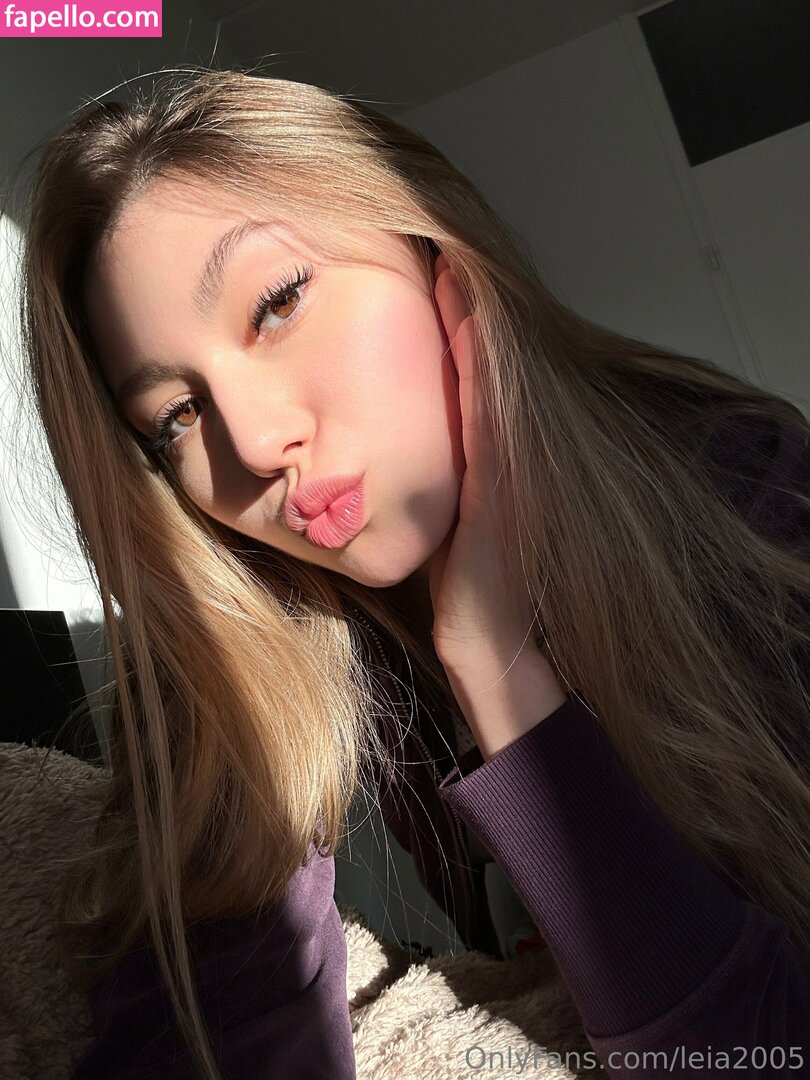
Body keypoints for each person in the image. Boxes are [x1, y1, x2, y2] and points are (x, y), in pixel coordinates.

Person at [11, 65, 810, 1079]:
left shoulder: (738, 490)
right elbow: (204, 1034)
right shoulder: (259, 622)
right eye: (175, 415)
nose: (253, 444)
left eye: (279, 302)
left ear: (434, 250)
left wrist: (499, 669)